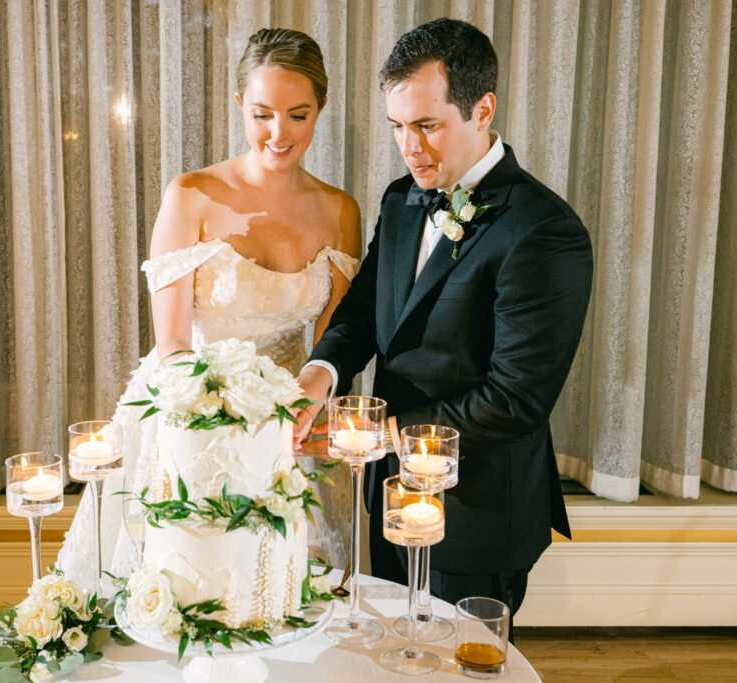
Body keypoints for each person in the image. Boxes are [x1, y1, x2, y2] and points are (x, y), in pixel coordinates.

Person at [295, 17, 592, 632]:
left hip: (477, 513)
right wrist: (320, 372)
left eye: (427, 126)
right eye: (398, 127)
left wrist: (381, 433)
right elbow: (363, 312)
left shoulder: (544, 232)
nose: (409, 147)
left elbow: (515, 400)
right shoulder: (401, 199)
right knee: (392, 656)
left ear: (482, 110)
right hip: (390, 492)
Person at [56, 28, 362, 591]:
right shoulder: (191, 196)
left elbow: (334, 344)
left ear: (320, 109)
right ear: (241, 104)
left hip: (290, 427)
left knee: (278, 597)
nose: (279, 133)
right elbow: (171, 342)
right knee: (173, 588)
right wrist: (224, 417)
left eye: (298, 115)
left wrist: (288, 422)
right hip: (186, 416)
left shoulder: (340, 210)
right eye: (263, 113)